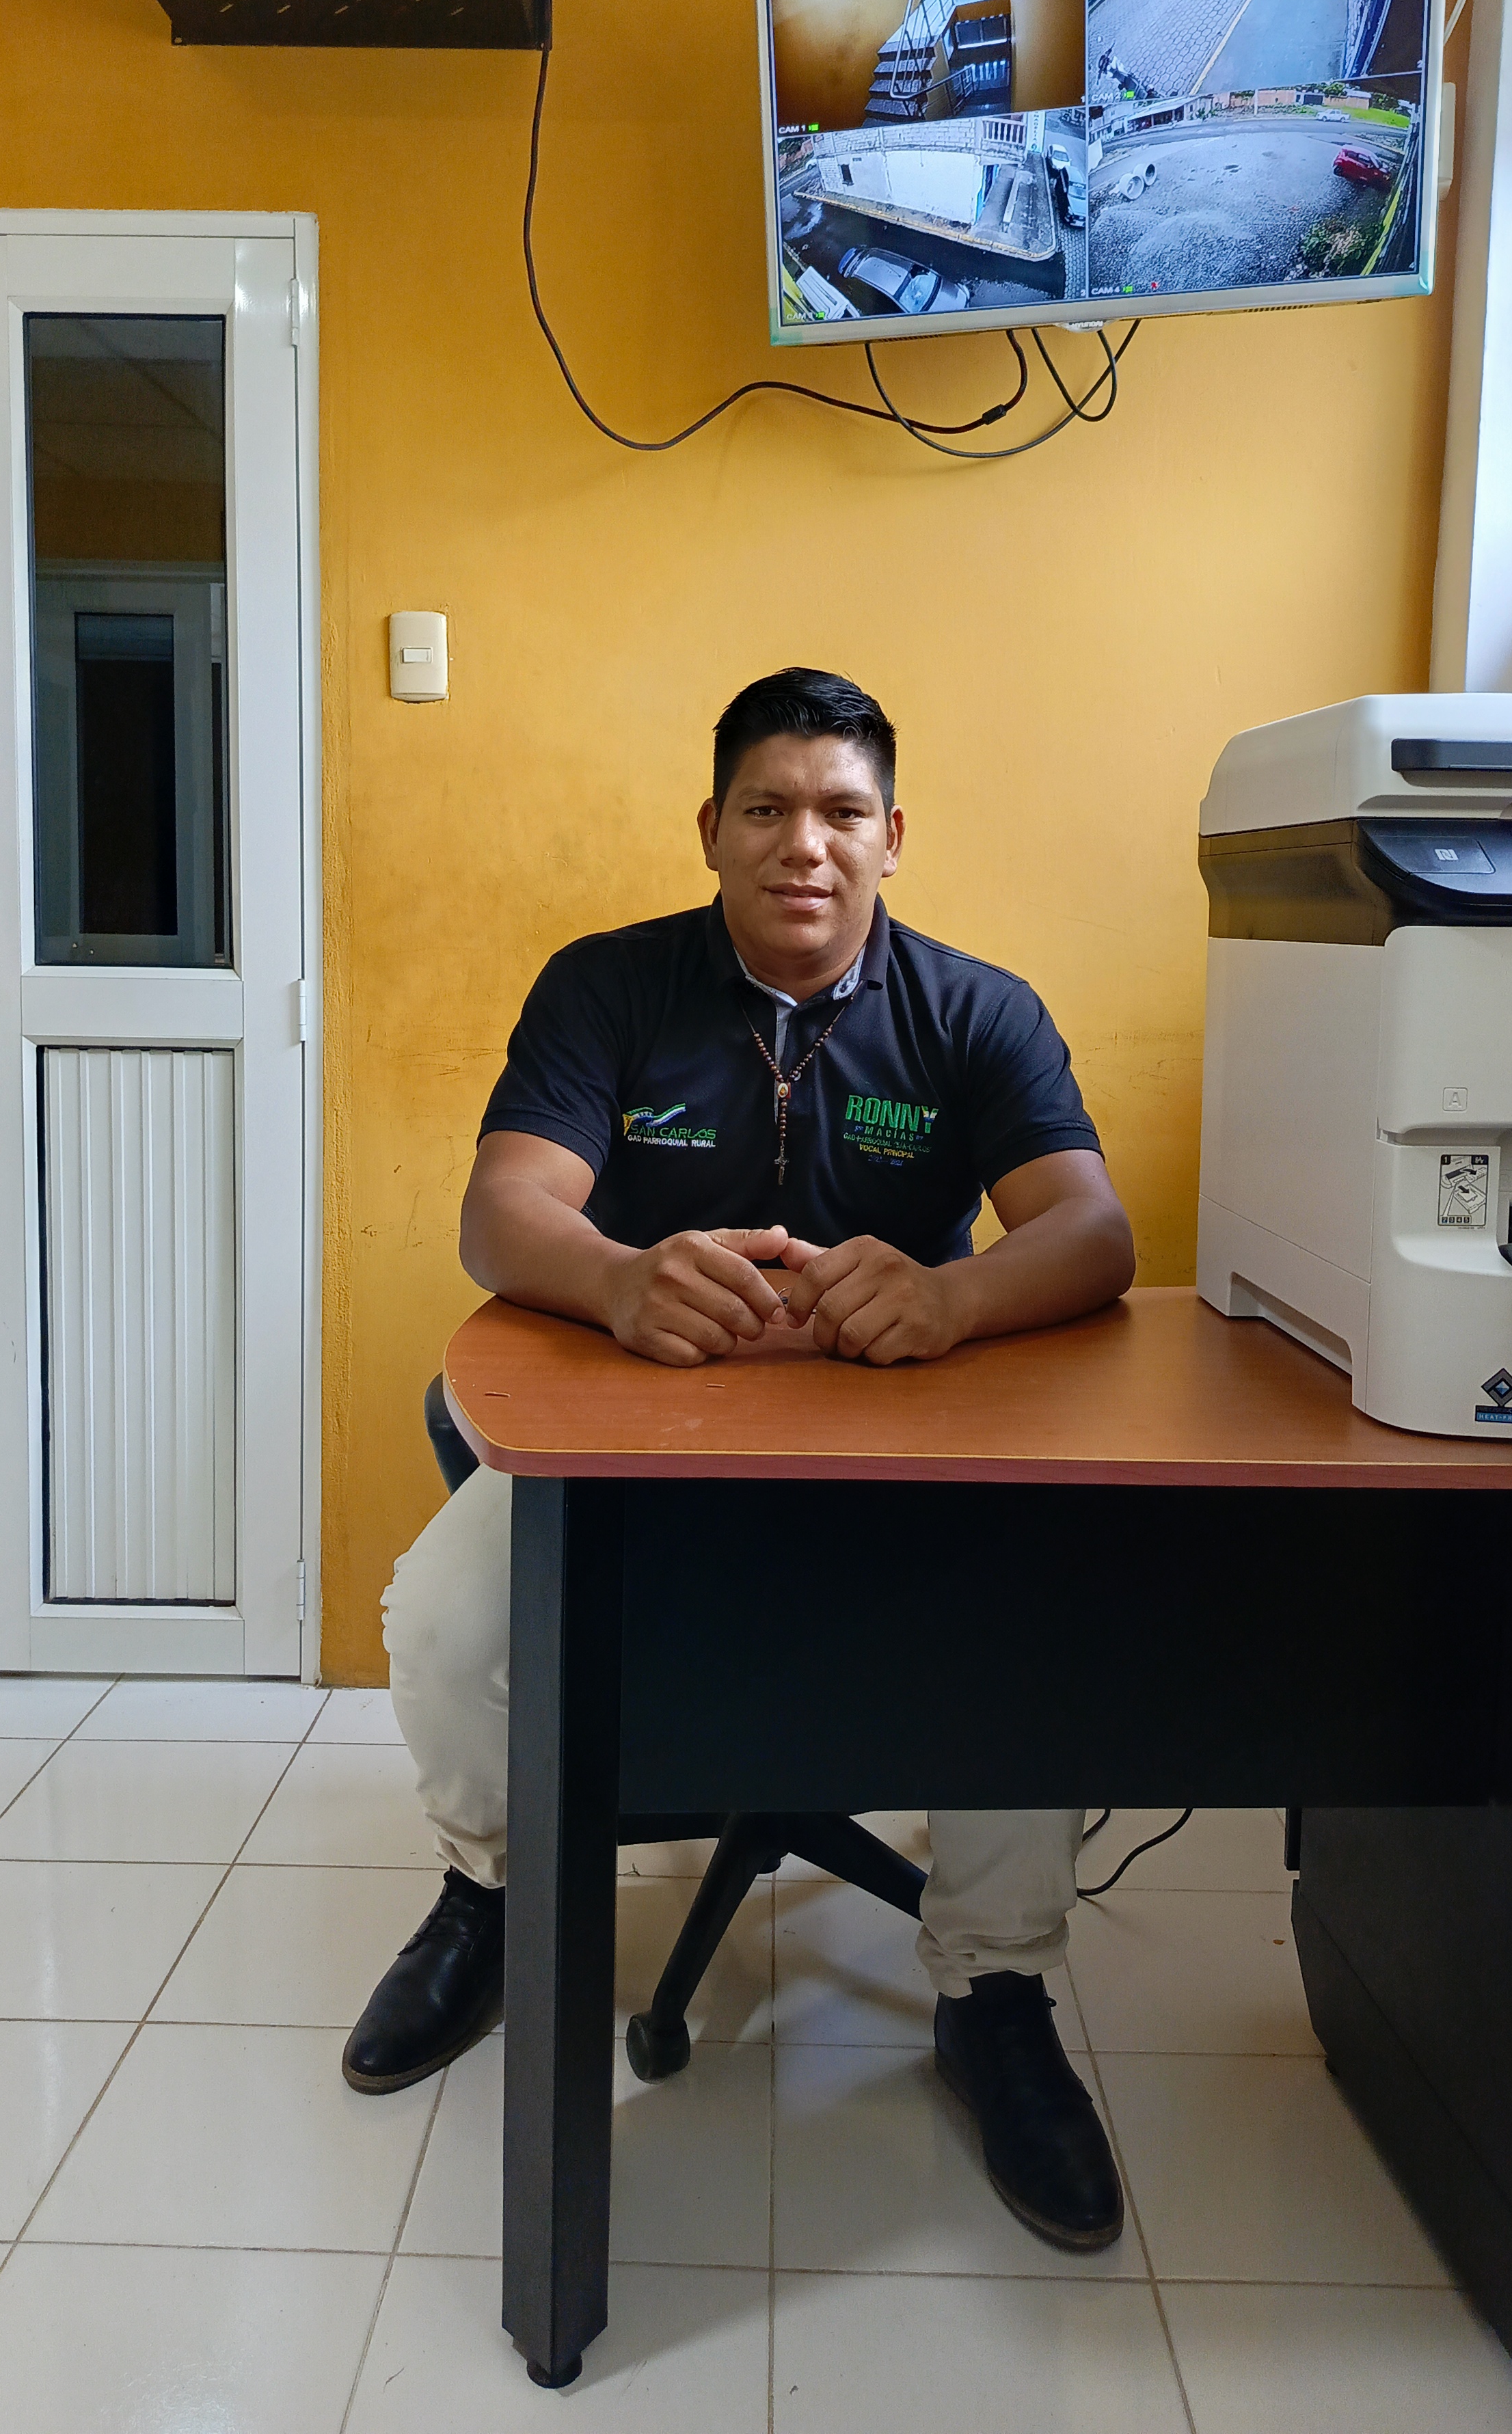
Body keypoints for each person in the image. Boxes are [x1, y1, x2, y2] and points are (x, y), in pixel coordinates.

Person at [345, 666, 1138, 2250]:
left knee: (1044, 1630)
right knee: (441, 1619)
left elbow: (1093, 1231)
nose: (805, 844)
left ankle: (993, 1990)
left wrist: (954, 1295)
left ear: (894, 836)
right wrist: (616, 1279)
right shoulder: (607, 988)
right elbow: (503, 1210)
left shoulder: (978, 1010)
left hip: (899, 1460)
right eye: (767, 808)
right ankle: (490, 1897)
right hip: (635, 1443)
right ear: (711, 827)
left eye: (843, 811)